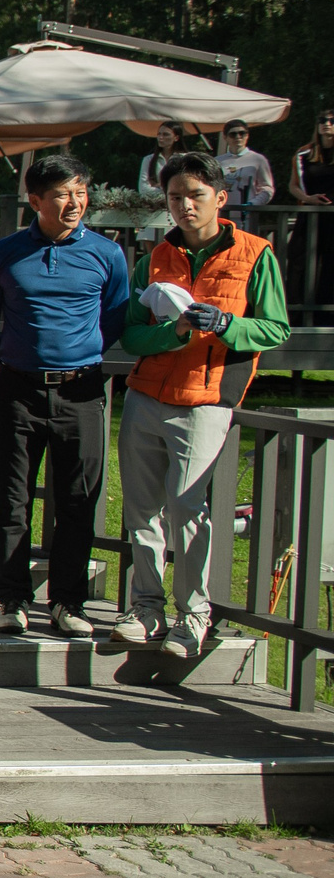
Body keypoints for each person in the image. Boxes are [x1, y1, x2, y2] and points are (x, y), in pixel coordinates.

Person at [117, 152, 290, 656]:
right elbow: (131, 336)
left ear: (220, 197)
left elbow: (275, 328)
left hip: (207, 400)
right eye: (175, 198)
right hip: (146, 394)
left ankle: (193, 617)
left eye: (195, 195)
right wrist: (175, 332)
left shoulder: (256, 254)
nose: (185, 206)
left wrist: (226, 326)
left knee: (188, 510)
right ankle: (146, 608)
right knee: (141, 510)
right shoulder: (153, 258)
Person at [0, 152, 132, 636]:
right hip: (19, 387)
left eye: (81, 191)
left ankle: (69, 602)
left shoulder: (107, 253)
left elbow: (115, 318)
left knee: (77, 499)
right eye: (62, 193)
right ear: (36, 199)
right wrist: (14, 356)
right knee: (12, 496)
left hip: (82, 390)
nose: (74, 202)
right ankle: (11, 598)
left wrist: (78, 356)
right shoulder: (6, 251)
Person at [292, 108, 334, 320]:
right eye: (322, 120)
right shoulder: (304, 153)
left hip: (332, 217)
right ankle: (297, 312)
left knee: (330, 265)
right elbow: (293, 186)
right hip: (309, 212)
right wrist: (308, 199)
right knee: (300, 261)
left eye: (331, 120)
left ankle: (326, 313)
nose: (326, 123)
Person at [214, 120, 275, 228]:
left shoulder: (258, 160)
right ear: (225, 137)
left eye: (242, 133)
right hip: (221, 215)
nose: (238, 137)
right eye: (233, 134)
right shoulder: (217, 161)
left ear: (247, 136)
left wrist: (253, 204)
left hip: (247, 217)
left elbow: (267, 188)